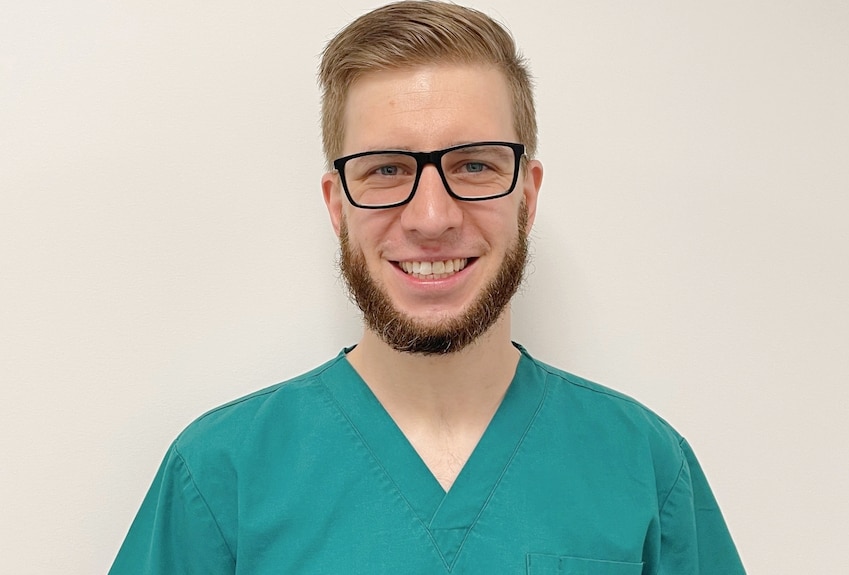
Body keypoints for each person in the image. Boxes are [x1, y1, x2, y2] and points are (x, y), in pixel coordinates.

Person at [109, 1, 745, 573]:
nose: (432, 218)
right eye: (386, 169)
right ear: (336, 206)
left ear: (528, 192)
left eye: (473, 165)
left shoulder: (645, 469)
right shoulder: (222, 478)